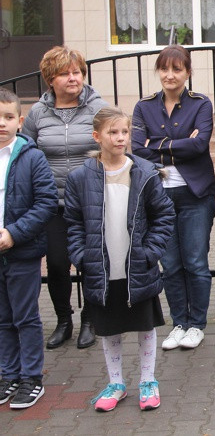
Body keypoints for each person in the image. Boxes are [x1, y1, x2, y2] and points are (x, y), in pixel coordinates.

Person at [64, 107, 175, 412]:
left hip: (137, 266)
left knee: (145, 325)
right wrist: (81, 256)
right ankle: (116, 383)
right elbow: (72, 222)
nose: (120, 138)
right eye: (113, 132)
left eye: (125, 132)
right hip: (101, 267)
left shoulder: (143, 172)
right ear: (97, 136)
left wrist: (151, 252)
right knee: (109, 327)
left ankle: (148, 380)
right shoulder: (80, 178)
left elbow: (163, 215)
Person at [22, 46, 107, 350]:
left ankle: (90, 319)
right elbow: (26, 152)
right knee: (58, 264)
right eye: (65, 73)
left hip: (91, 201)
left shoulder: (98, 107)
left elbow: (114, 147)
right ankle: (63, 320)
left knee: (92, 264)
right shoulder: (37, 113)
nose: (74, 78)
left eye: (78, 72)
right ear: (50, 79)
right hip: (53, 203)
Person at [132, 45, 215, 350]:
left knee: (194, 261)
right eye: (165, 69)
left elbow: (199, 145)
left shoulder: (201, 104)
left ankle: (197, 325)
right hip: (159, 197)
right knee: (170, 263)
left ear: (188, 72)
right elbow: (136, 149)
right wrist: (180, 142)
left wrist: (156, 143)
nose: (170, 75)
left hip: (196, 194)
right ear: (159, 72)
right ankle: (178, 323)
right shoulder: (144, 107)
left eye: (177, 69)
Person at [0, 89, 58, 410]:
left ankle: (31, 377)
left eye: (8, 117)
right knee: (3, 318)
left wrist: (13, 233)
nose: (2, 124)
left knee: (25, 317)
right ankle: (8, 374)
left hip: (21, 253)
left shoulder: (31, 157)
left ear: (20, 121)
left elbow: (46, 202)